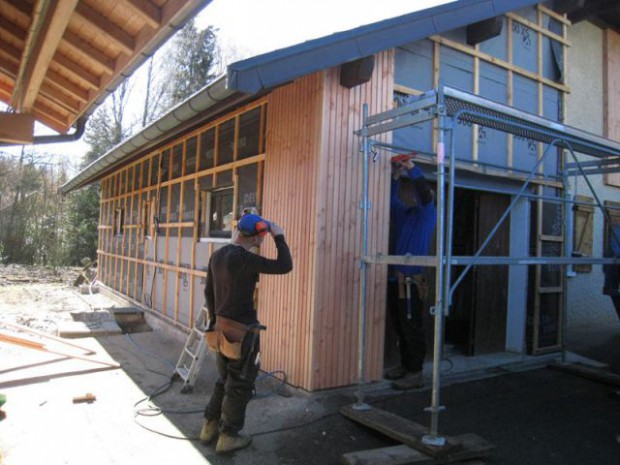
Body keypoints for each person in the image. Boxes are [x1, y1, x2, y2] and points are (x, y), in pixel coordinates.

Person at [199, 213, 293, 454]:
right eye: (264, 235)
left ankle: (209, 426)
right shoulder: (245, 259)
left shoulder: (218, 256)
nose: (265, 239)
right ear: (259, 235)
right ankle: (228, 436)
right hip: (243, 333)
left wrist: (213, 321)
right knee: (239, 386)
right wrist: (279, 236)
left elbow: (209, 292)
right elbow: (285, 266)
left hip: (220, 328)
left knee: (225, 380)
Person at [385, 155, 436, 390]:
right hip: (396, 279)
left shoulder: (427, 215)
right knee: (400, 324)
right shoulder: (405, 214)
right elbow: (391, 199)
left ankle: (416, 373)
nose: (419, 198)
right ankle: (406, 366)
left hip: (411, 281)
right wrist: (396, 175)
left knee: (412, 326)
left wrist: (412, 169)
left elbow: (424, 194)